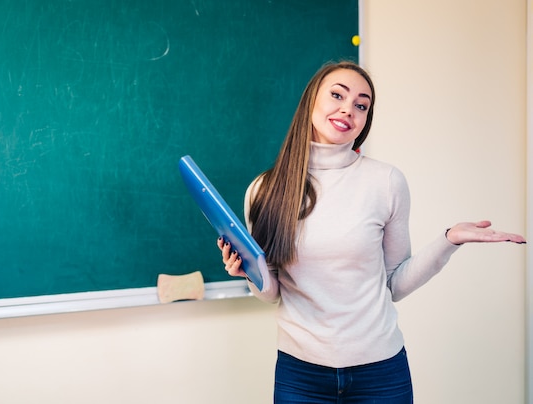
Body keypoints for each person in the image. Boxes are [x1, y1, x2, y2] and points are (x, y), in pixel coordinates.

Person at [216, 61, 526, 403]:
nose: (348, 109)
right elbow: (273, 292)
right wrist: (249, 272)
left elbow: (393, 283)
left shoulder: (386, 182)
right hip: (300, 372)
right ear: (310, 102)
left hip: (380, 372)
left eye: (361, 105)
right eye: (337, 95)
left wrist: (448, 240)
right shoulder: (264, 190)